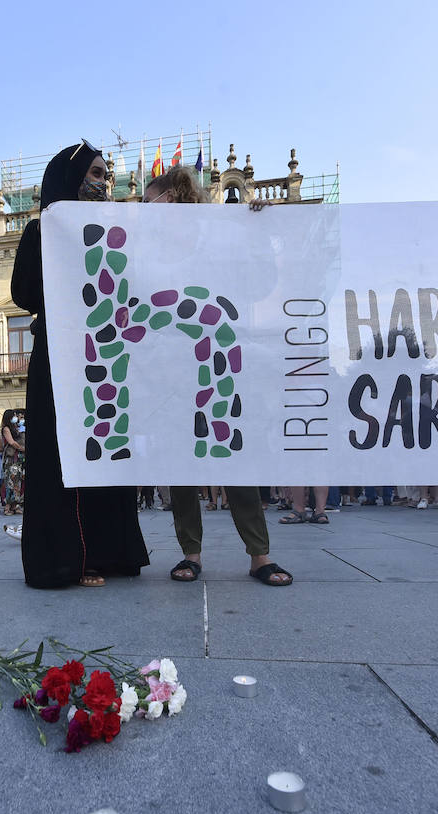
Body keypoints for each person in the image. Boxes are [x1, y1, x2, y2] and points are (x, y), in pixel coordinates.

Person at [139, 167, 292, 586]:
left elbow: (262, 283)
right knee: (180, 461)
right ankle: (191, 553)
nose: (143, 210)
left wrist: (258, 231)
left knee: (234, 453)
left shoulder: (224, 235)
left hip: (222, 356)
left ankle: (259, 555)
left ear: (172, 196)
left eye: (148, 201)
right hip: (173, 363)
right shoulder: (148, 249)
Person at [10, 141, 149, 588]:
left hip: (106, 351)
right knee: (62, 450)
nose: (103, 183)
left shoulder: (118, 231)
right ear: (69, 178)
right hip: (58, 355)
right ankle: (71, 556)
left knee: (106, 442)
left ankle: (110, 552)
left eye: (106, 176)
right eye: (95, 173)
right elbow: (23, 294)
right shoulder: (40, 232)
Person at [0, 408, 25, 515]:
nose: (16, 417)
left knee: (17, 482)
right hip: (11, 458)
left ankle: (15, 505)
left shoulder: (16, 427)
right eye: (14, 415)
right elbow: (11, 442)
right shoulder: (6, 428)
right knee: (10, 482)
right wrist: (22, 448)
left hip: (18, 458)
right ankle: (7, 507)